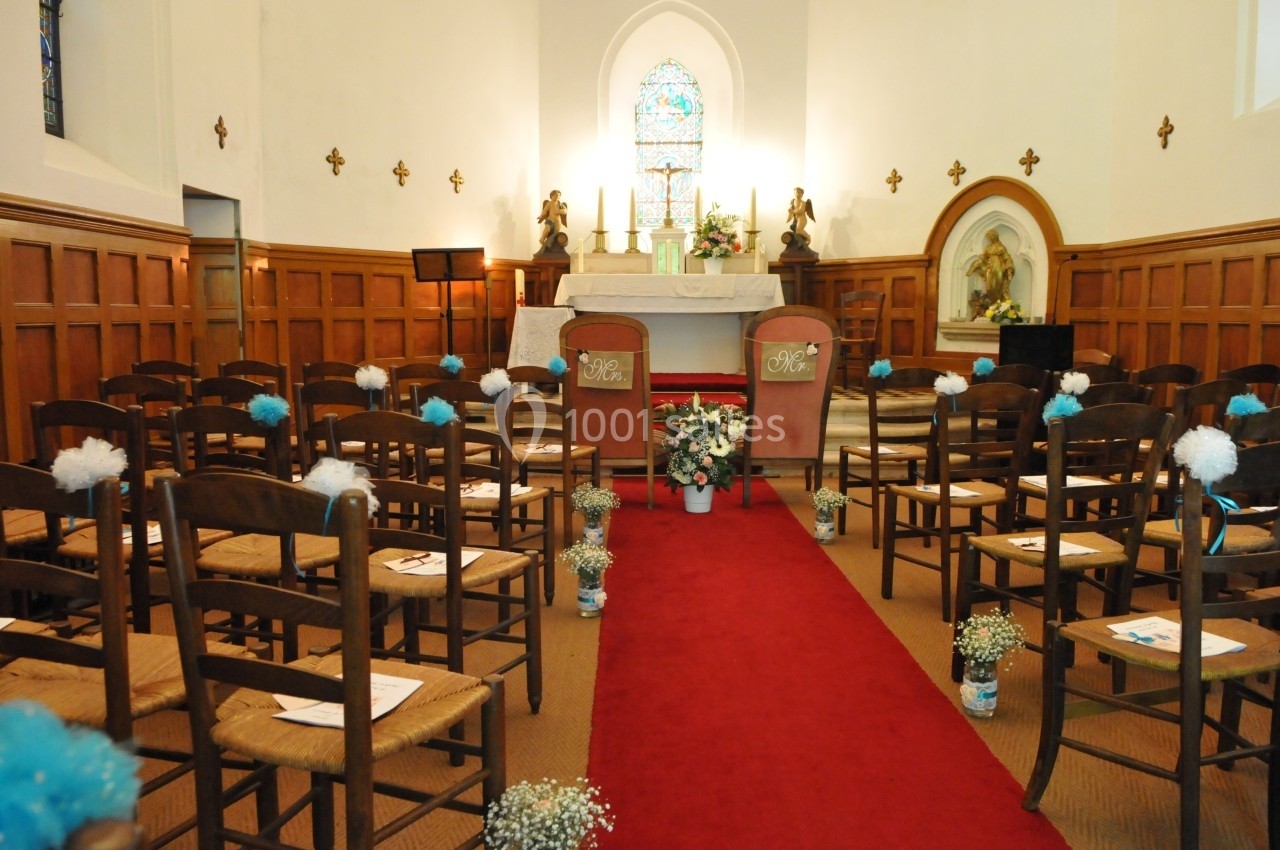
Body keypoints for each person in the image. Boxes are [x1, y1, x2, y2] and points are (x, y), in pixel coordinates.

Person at [967, 229, 1015, 304]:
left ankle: (999, 304)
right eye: (989, 237)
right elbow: (983, 257)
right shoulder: (988, 248)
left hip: (998, 269)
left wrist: (1009, 270)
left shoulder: (1001, 247)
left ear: (995, 236)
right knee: (989, 287)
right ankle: (993, 304)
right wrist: (975, 265)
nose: (990, 239)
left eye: (991, 237)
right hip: (989, 268)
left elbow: (1007, 258)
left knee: (998, 286)